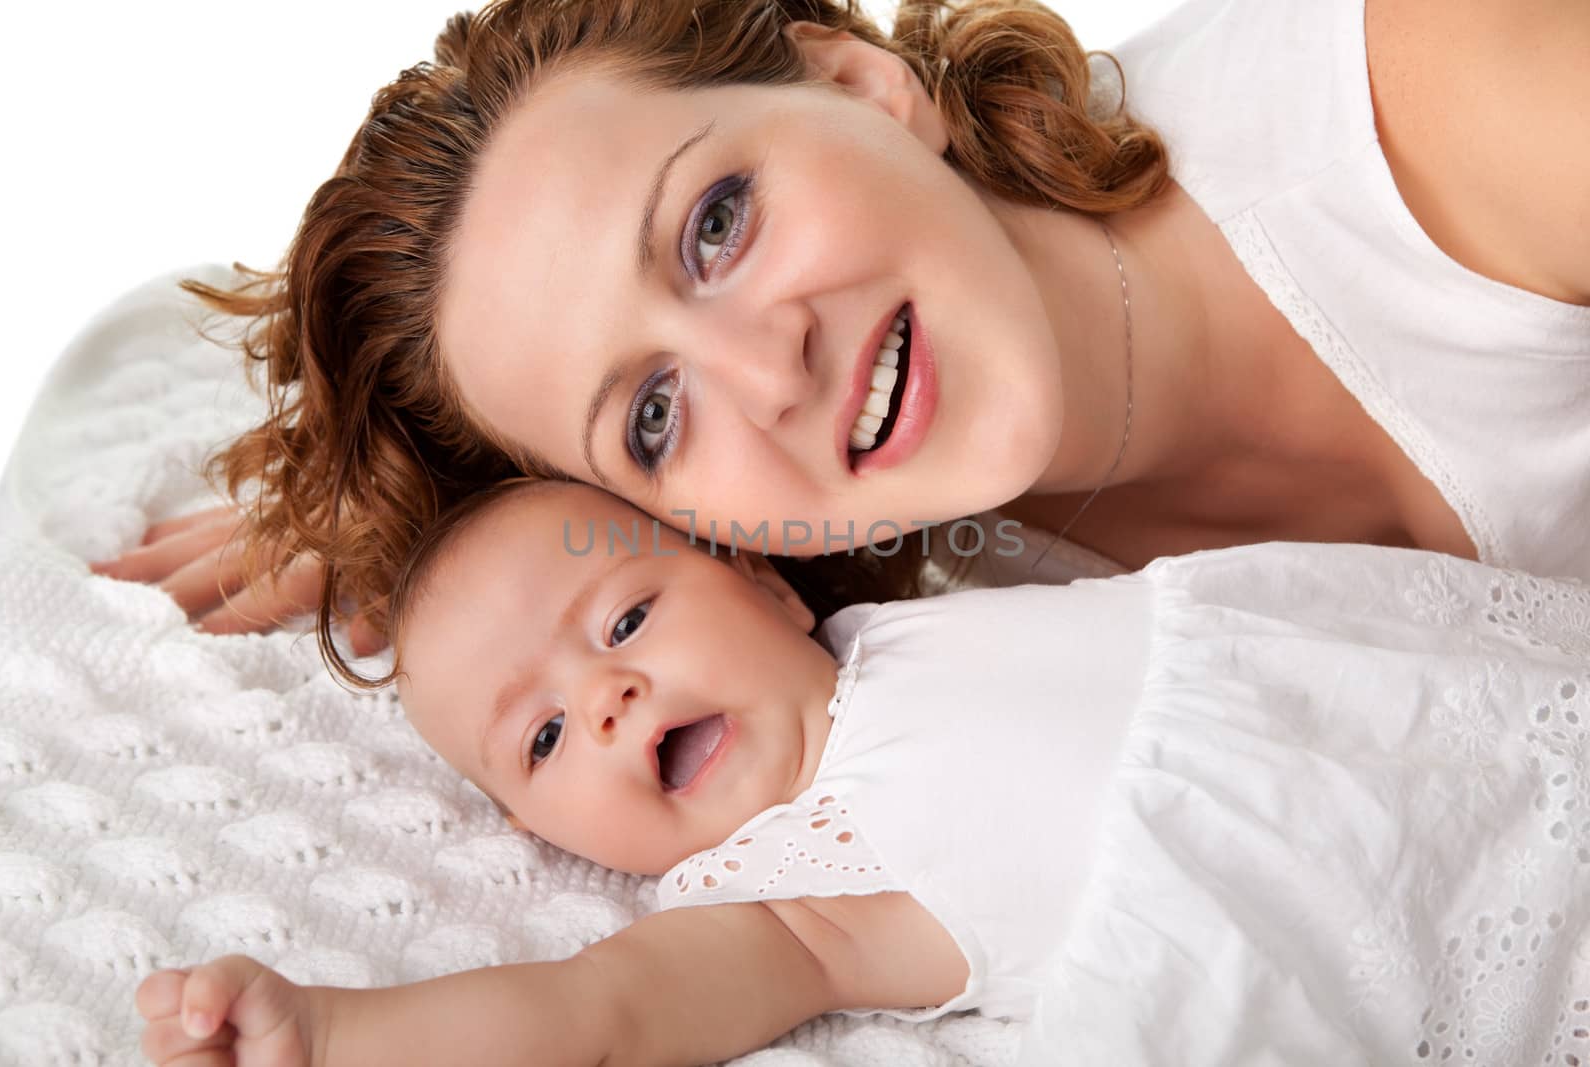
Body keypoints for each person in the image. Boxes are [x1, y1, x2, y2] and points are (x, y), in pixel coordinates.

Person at [93, 0, 1590, 683]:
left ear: (865, 84)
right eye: (653, 419)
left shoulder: (1457, 110)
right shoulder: (946, 601)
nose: (769, 371)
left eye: (718, 222)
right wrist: (414, 532)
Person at [135, 479, 1590, 1065]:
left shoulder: (912, 605)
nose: (611, 694)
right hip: (1424, 929)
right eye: (542, 739)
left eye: (627, 618)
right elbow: (594, 1014)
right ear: (538, 829)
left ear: (766, 584)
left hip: (1438, 705)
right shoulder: (798, 898)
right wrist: (329, 1036)